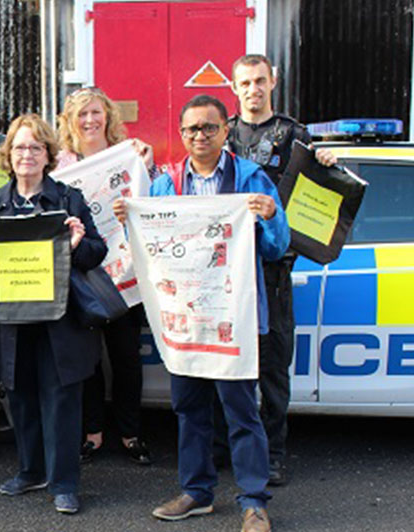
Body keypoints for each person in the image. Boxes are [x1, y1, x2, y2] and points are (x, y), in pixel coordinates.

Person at [113, 94, 289, 532]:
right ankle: (197, 492)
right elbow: (150, 251)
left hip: (235, 318)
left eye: (209, 127)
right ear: (182, 134)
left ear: (226, 130)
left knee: (242, 412)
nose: (200, 136)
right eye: (191, 129)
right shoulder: (165, 184)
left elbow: (276, 247)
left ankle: (253, 501)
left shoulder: (251, 179)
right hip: (185, 320)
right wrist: (128, 220)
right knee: (189, 409)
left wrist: (269, 217)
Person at [0, 114, 107, 515]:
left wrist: (78, 242)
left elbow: (98, 253)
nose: (27, 154)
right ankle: (30, 471)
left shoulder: (69, 199)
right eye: (20, 147)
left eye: (36, 147)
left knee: (61, 400)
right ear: (8, 155)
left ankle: (64, 482)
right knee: (20, 396)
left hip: (60, 322)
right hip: (10, 321)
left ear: (48, 155)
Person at [219, 54, 337, 486]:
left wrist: (326, 164)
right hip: (227, 269)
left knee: (271, 368)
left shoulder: (296, 136)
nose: (253, 89)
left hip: (272, 268)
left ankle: (271, 454)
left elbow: (321, 199)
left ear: (274, 81)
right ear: (234, 87)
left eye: (260, 81)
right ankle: (223, 447)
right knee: (226, 363)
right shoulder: (222, 133)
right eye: (245, 82)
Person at [54, 87, 153, 466]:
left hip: (124, 271)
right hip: (82, 273)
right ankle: (93, 432)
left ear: (108, 116)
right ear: (70, 121)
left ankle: (130, 433)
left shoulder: (128, 155)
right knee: (88, 359)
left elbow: (148, 200)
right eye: (81, 114)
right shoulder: (61, 165)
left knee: (126, 356)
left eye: (96, 112)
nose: (90, 121)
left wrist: (146, 164)